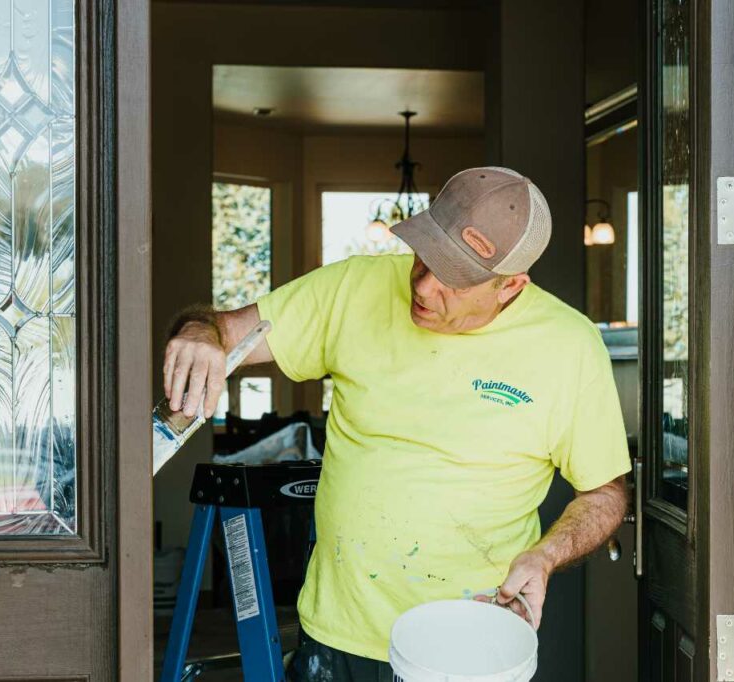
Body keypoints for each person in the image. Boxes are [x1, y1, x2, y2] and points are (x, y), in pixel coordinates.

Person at [163, 166, 631, 681]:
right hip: (338, 635)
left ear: (510, 286)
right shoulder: (354, 287)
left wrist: (545, 557)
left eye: (453, 278)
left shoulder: (569, 347)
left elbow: (605, 495)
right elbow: (222, 329)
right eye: (423, 258)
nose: (425, 287)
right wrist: (199, 334)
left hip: (469, 643)